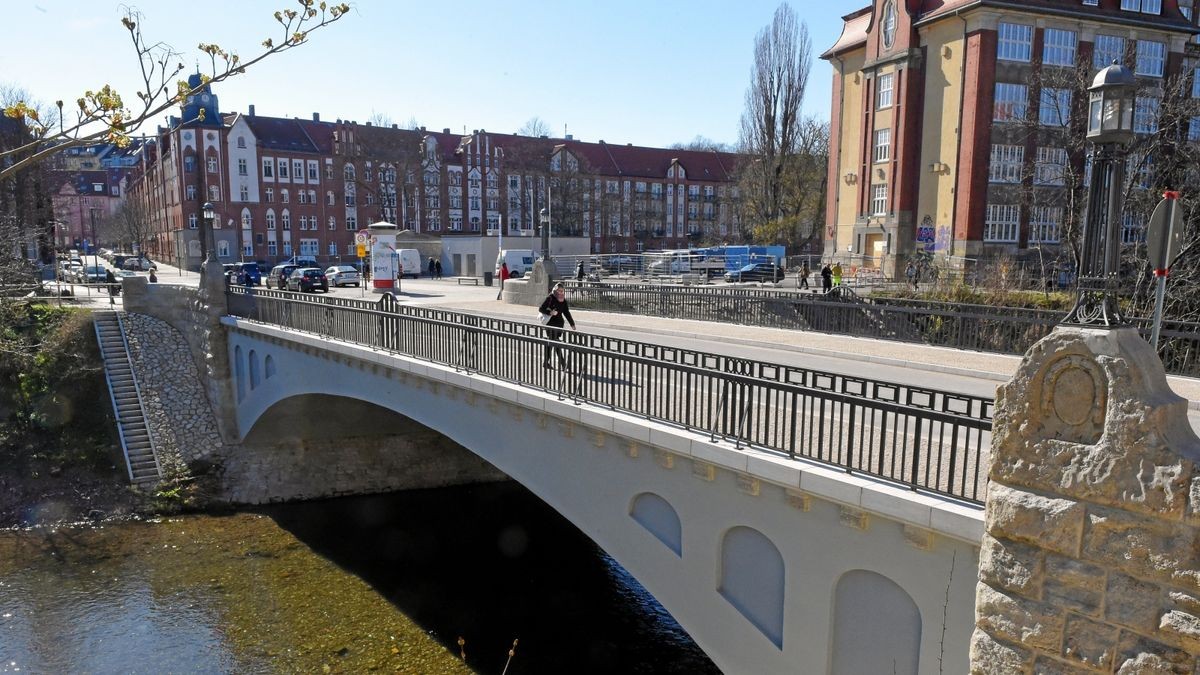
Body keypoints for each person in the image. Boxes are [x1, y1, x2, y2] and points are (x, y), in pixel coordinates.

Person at [538, 282, 577, 369]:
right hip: (550, 325)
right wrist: (550, 312)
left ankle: (545, 363)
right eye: (559, 290)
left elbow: (566, 312)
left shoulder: (563, 300)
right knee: (556, 343)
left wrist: (572, 324)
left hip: (559, 325)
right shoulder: (550, 298)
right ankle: (563, 364)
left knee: (551, 343)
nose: (560, 292)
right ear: (555, 290)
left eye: (562, 291)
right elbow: (541, 308)